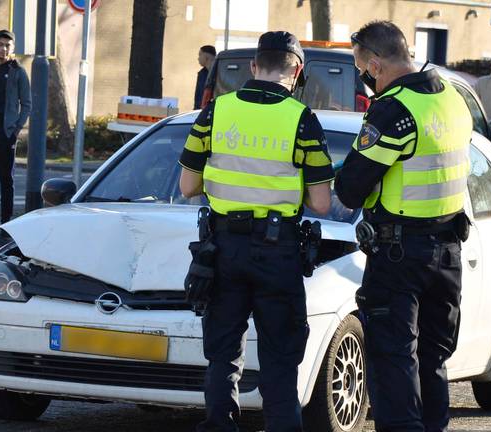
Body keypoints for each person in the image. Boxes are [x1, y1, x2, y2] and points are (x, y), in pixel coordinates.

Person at [179, 31, 333, 432]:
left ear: (253, 66)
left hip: (222, 249)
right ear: (297, 71)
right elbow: (320, 203)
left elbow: (187, 186)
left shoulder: (215, 112)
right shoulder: (303, 120)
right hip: (277, 251)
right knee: (281, 356)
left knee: (223, 354)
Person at [335, 21, 472, 432]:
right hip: (447, 252)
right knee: (431, 361)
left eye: (362, 68)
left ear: (375, 65)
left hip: (399, 256)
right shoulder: (451, 96)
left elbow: (351, 189)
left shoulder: (395, 110)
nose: (363, 77)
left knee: (393, 363)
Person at [0, 29, 31, 226]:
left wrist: (16, 128)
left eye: (8, 45)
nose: (4, 49)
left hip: (6, 134)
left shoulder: (18, 72)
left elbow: (26, 104)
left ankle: (6, 222)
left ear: (13, 48)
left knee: (6, 180)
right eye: (0, 44)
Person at [194, 45, 216, 109]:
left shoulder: (219, 72)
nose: (198, 58)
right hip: (200, 111)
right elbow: (198, 97)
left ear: (206, 56)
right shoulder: (201, 74)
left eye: (200, 55)